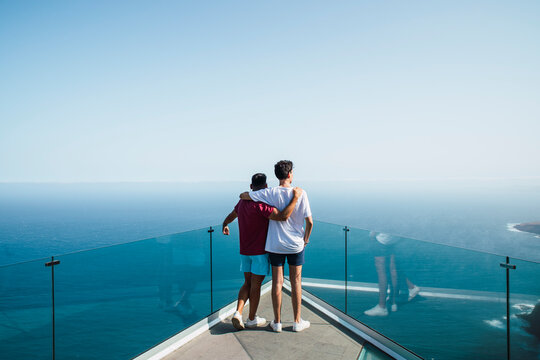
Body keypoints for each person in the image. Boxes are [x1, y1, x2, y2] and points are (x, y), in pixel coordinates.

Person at [240, 160, 313, 332]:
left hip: (275, 245)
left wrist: (245, 195)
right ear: (290, 174)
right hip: (296, 245)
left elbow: (245, 196)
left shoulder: (269, 192)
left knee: (277, 283)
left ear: (277, 175)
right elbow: (309, 222)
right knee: (296, 282)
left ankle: (277, 322)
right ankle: (296, 322)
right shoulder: (301, 193)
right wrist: (306, 240)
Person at [222, 173, 302, 330]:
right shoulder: (261, 205)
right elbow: (282, 217)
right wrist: (294, 199)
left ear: (251, 187)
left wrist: (225, 224)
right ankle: (251, 319)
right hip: (259, 252)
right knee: (256, 286)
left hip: (244, 251)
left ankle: (238, 313)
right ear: (265, 187)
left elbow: (232, 216)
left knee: (247, 282)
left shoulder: (242, 202)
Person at [364, 231, 420, 316]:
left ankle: (382, 307)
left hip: (381, 238)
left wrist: (373, 234)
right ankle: (393, 302)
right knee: (392, 268)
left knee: (381, 271)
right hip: (393, 237)